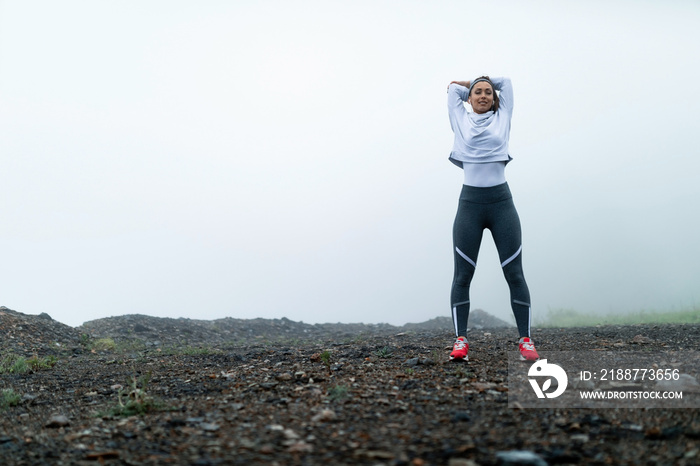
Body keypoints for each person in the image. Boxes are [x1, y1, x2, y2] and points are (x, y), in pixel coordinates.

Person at [446, 76, 539, 362]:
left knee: (514, 273)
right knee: (463, 275)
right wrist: (468, 82)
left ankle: (525, 340)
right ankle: (461, 340)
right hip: (470, 206)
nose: (484, 95)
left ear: (495, 98)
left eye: (488, 92)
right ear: (469, 99)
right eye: (477, 92)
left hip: (501, 205)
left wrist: (479, 78)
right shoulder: (459, 117)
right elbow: (452, 90)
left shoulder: (503, 116)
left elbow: (506, 83)